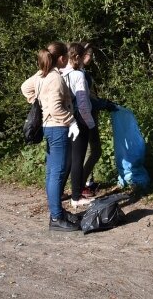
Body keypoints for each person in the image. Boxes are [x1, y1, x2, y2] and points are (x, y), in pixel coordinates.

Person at [21, 42, 81, 232]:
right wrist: (71, 121)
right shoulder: (54, 78)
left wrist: (40, 101)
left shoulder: (42, 75)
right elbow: (56, 108)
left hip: (49, 127)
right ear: (62, 58)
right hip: (57, 128)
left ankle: (58, 212)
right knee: (57, 173)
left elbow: (25, 88)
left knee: (52, 172)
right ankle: (56, 217)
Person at [61, 42, 97, 208]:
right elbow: (83, 104)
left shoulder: (61, 73)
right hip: (79, 119)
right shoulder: (78, 76)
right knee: (78, 159)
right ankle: (76, 196)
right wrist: (90, 123)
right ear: (79, 57)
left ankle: (61, 192)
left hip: (65, 118)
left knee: (69, 158)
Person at [80, 43, 117, 196]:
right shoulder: (80, 75)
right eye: (89, 54)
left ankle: (85, 182)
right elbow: (85, 100)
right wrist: (104, 104)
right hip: (87, 116)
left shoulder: (81, 73)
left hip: (89, 114)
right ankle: (80, 184)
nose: (91, 57)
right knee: (94, 150)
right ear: (82, 55)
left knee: (89, 150)